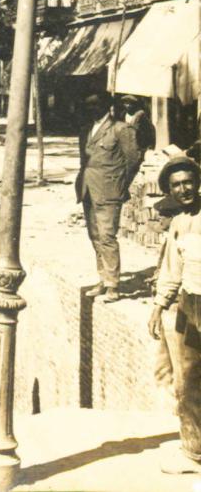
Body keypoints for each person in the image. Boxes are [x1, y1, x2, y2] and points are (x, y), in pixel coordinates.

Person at [149, 154, 201, 475]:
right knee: (190, 378)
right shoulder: (179, 223)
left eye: (188, 182)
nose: (184, 190)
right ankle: (194, 450)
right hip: (190, 304)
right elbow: (172, 270)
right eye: (176, 185)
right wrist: (158, 306)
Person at [75, 92, 140, 302]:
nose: (91, 108)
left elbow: (132, 160)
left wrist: (121, 185)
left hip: (109, 191)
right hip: (88, 189)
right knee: (95, 236)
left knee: (107, 237)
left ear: (106, 106)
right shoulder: (87, 129)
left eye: (95, 104)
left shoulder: (120, 129)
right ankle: (103, 278)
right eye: (88, 105)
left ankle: (113, 285)